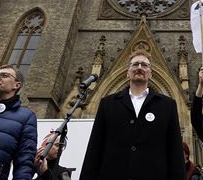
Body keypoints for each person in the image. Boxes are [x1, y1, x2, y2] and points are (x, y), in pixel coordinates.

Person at [79, 49, 185, 180]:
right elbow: (94, 150)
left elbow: (175, 153)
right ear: (127, 73)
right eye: (135, 64)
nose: (139, 67)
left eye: (144, 65)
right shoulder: (107, 104)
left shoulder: (167, 105)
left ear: (151, 74)